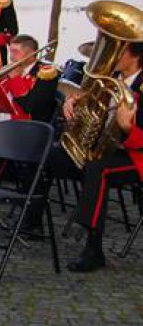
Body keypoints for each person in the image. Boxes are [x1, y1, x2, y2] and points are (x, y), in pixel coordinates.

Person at [51, 42, 142, 272]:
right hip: (107, 149)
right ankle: (31, 218)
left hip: (135, 156)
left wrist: (128, 127)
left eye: (119, 51)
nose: (112, 56)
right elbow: (87, 99)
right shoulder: (110, 78)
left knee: (96, 169)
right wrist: (73, 103)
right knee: (51, 156)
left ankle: (93, 248)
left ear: (135, 56)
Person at [0, 34, 59, 122]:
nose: (11, 56)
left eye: (16, 52)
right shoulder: (10, 71)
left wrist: (16, 79)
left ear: (31, 53)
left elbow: (33, 107)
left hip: (26, 129)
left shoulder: (46, 73)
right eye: (10, 51)